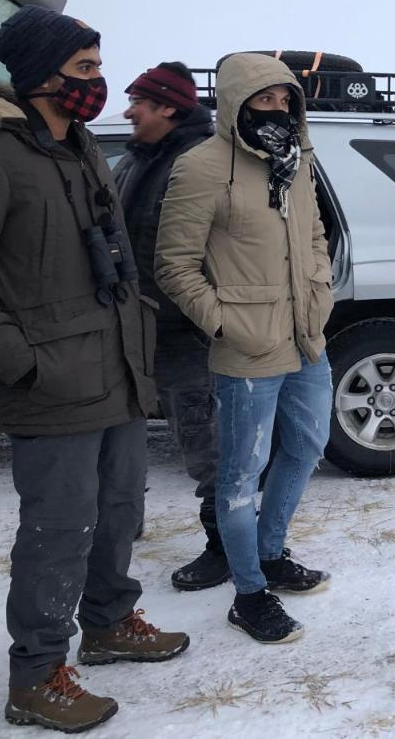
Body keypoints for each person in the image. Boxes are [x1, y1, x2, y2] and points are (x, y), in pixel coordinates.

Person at [0, 6, 188, 733]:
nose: (99, 85)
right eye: (86, 70)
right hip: (54, 382)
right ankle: (36, 675)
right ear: (40, 75)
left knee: (121, 507)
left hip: (118, 371)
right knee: (58, 530)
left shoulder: (83, 150)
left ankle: (106, 622)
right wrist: (23, 364)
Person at [156, 52, 335, 644]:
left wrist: (320, 290)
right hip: (246, 348)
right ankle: (249, 593)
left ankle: (272, 552)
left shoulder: (298, 160)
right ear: (236, 103)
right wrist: (225, 323)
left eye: (287, 100)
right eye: (265, 99)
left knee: (306, 448)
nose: (279, 109)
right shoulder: (202, 167)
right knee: (240, 476)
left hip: (306, 336)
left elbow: (314, 234)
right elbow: (174, 266)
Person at [115, 62, 225, 590]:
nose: (128, 109)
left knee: (206, 444)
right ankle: (120, 526)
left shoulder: (199, 162)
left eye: (138, 100)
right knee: (122, 436)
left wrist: (209, 320)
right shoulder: (136, 160)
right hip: (132, 329)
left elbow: (216, 252)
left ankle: (225, 545)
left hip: (185, 333)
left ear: (167, 108)